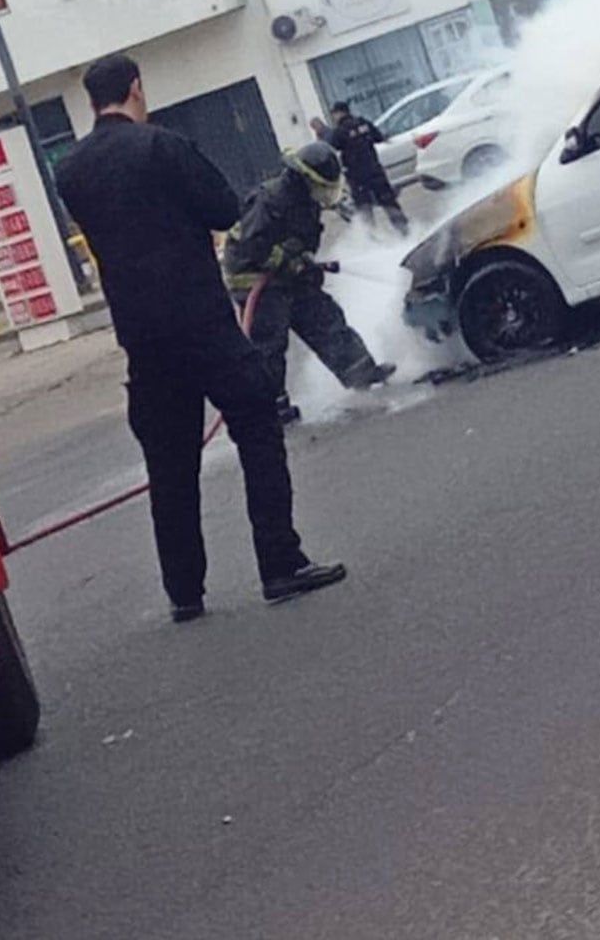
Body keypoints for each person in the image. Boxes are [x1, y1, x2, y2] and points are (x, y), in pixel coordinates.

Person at [53, 53, 347, 622]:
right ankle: (280, 564)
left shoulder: (71, 171)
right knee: (259, 425)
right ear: (136, 89)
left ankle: (185, 592)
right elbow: (221, 208)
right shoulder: (162, 146)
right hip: (200, 321)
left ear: (92, 102)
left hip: (141, 335)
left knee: (168, 461)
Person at [223, 142, 398, 423]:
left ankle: (361, 372)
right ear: (304, 178)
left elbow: (305, 240)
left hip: (287, 275)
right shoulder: (270, 200)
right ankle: (272, 408)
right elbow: (254, 246)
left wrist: (304, 263)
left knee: (324, 316)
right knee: (269, 341)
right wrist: (289, 262)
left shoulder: (306, 202)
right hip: (254, 279)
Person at [325, 101, 410, 234]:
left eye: (334, 114)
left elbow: (331, 149)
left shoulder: (340, 131)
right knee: (388, 202)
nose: (334, 117)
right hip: (375, 170)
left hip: (357, 177)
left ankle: (371, 240)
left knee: (365, 209)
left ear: (339, 113)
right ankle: (405, 232)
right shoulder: (363, 123)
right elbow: (379, 137)